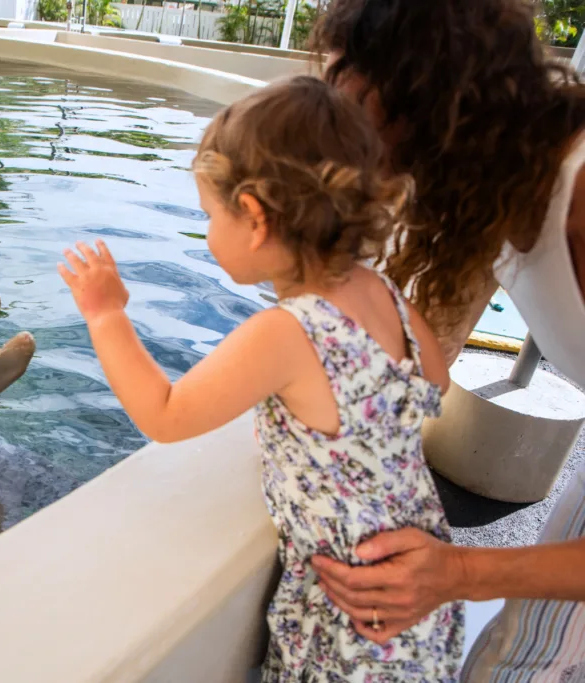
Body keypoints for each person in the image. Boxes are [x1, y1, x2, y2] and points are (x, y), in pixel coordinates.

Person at [59, 76, 463, 681]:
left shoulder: (287, 331)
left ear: (253, 216)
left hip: (350, 617)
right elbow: (435, 382)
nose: (206, 231)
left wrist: (105, 314)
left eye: (209, 214)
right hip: (420, 597)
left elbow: (164, 413)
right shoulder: (385, 293)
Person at [305, 0, 585, 679]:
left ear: (430, 97)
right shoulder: (493, 185)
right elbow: (414, 354)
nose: (336, 139)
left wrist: (457, 570)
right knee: (521, 653)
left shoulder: (578, 201)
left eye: (351, 105)